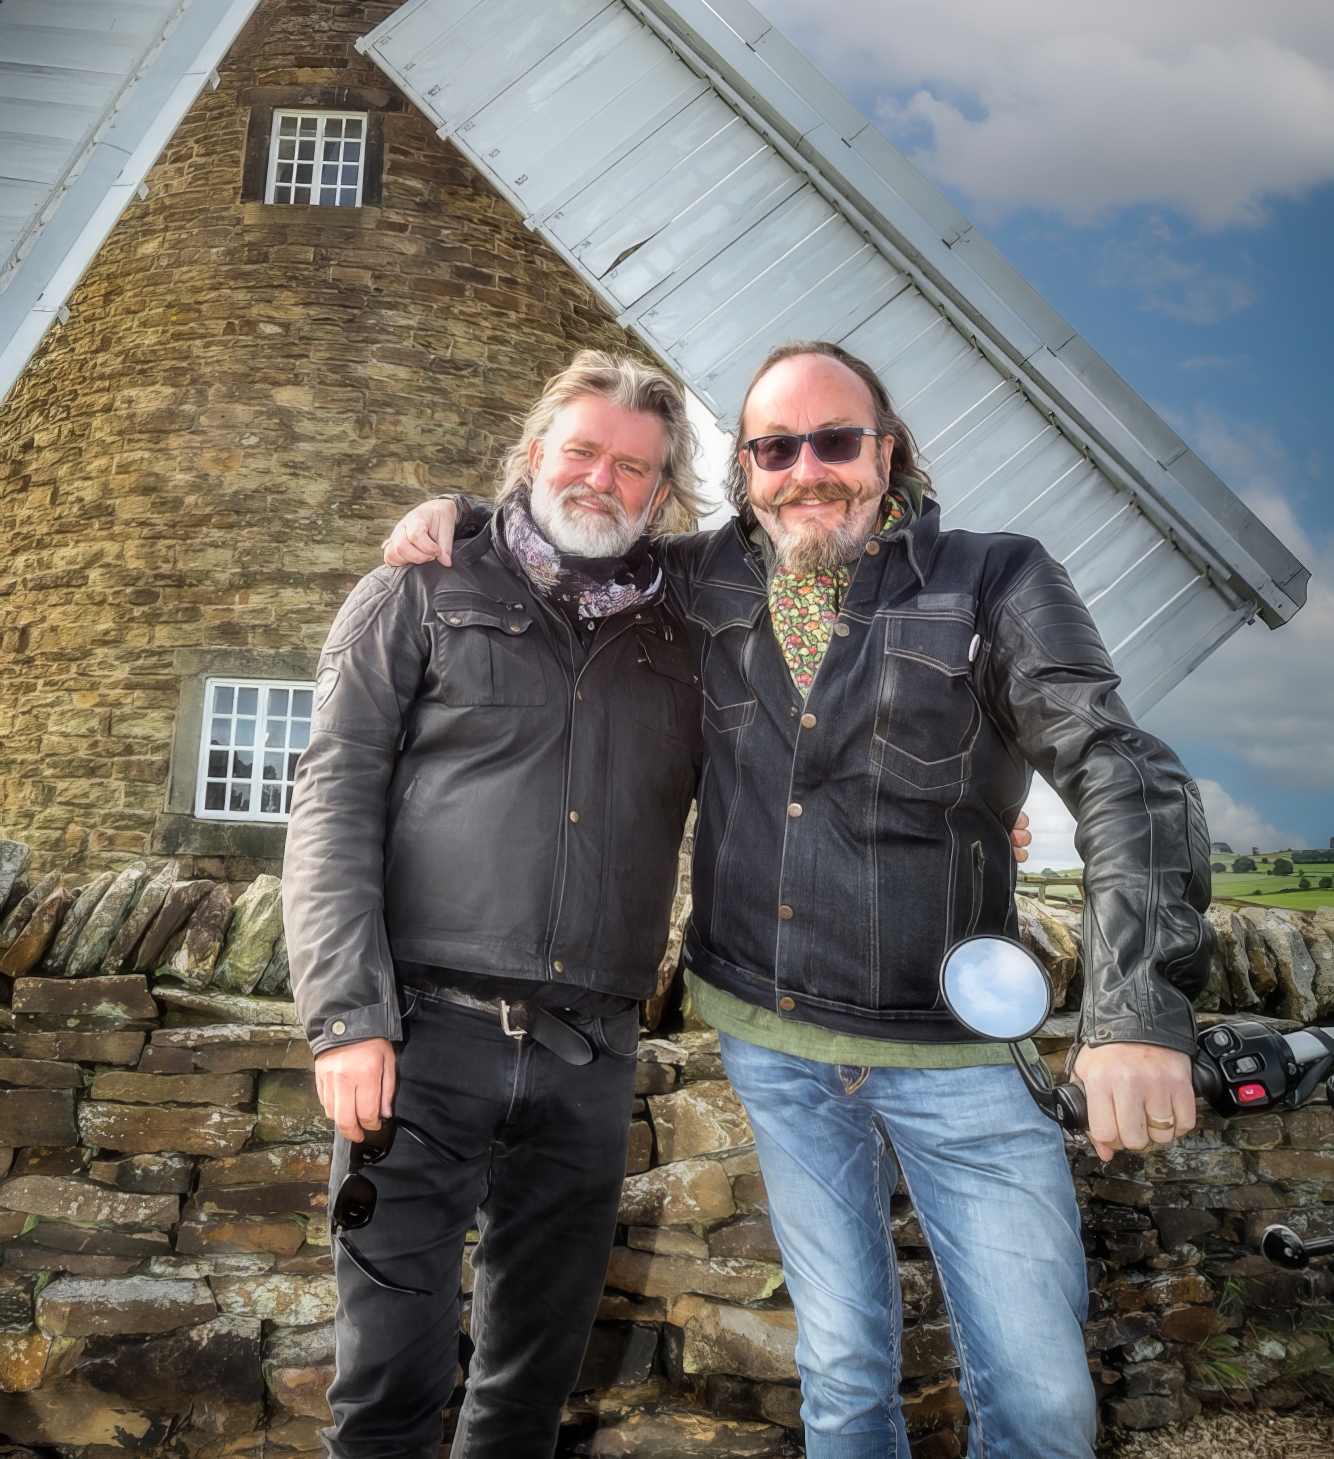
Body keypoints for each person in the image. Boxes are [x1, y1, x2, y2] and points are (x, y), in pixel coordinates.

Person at [385, 338, 1213, 1459]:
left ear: (887, 452)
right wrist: (468, 517)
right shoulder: (702, 576)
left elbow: (1123, 772)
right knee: (841, 1372)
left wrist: (1136, 1016)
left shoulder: (996, 580)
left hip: (954, 1048)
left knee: (1042, 1400)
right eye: (776, 447)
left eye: (836, 441)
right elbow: (583, 526)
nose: (806, 470)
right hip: (774, 1043)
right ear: (745, 467)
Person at [283, 351, 709, 1459]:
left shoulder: (692, 633)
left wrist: (971, 809)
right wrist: (346, 1018)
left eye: (632, 466)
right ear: (532, 455)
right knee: (386, 1384)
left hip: (590, 1054)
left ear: (661, 493)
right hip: (419, 1042)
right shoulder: (416, 588)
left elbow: (805, 726)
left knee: (528, 1390)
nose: (601, 479)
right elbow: (331, 800)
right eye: (581, 450)